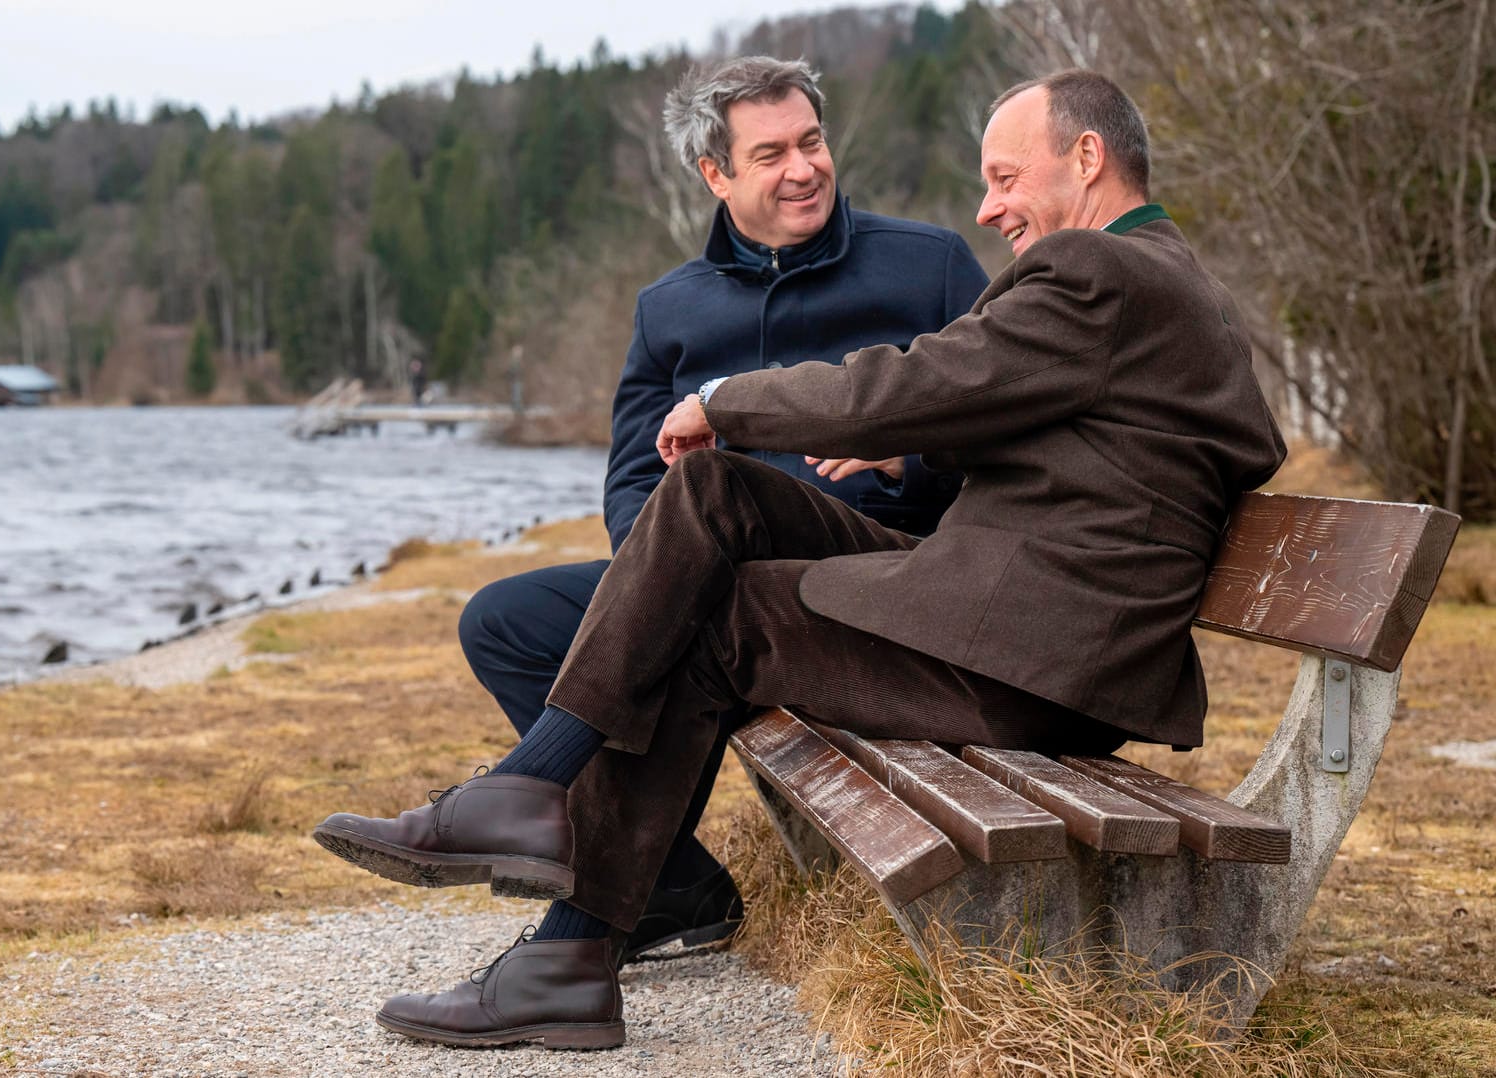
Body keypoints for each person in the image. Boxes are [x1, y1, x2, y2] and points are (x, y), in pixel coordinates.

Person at [316, 68, 1288, 1051]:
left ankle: (563, 944)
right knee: (713, 493)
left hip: (1030, 656)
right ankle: (530, 805)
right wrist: (925, 445)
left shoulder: (1102, 274)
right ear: (715, 173)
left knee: (719, 622)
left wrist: (727, 400)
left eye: (1004, 177)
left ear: (1087, 158)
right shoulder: (1159, 281)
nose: (989, 207)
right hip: (1024, 622)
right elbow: (1110, 439)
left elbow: (914, 379)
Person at [453, 55, 988, 974]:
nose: (804, 169)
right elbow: (631, 480)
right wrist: (655, 572)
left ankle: (568, 900)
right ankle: (675, 887)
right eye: (771, 153)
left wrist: (908, 463)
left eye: (812, 142)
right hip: (708, 577)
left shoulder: (928, 266)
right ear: (716, 175)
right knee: (503, 622)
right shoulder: (670, 309)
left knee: (681, 620)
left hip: (874, 588)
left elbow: (1001, 437)